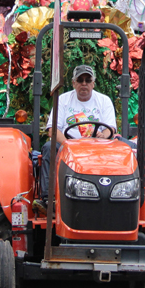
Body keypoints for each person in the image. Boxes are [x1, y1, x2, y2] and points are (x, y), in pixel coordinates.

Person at [37, 65, 117, 206]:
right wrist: (68, 145)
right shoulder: (63, 100)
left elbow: (110, 129)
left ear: (93, 83)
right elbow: (53, 130)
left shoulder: (104, 101)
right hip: (68, 145)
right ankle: (48, 199)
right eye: (80, 80)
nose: (84, 84)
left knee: (123, 148)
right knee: (49, 147)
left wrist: (103, 136)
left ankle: (114, 195)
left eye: (88, 80)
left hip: (98, 146)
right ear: (74, 83)